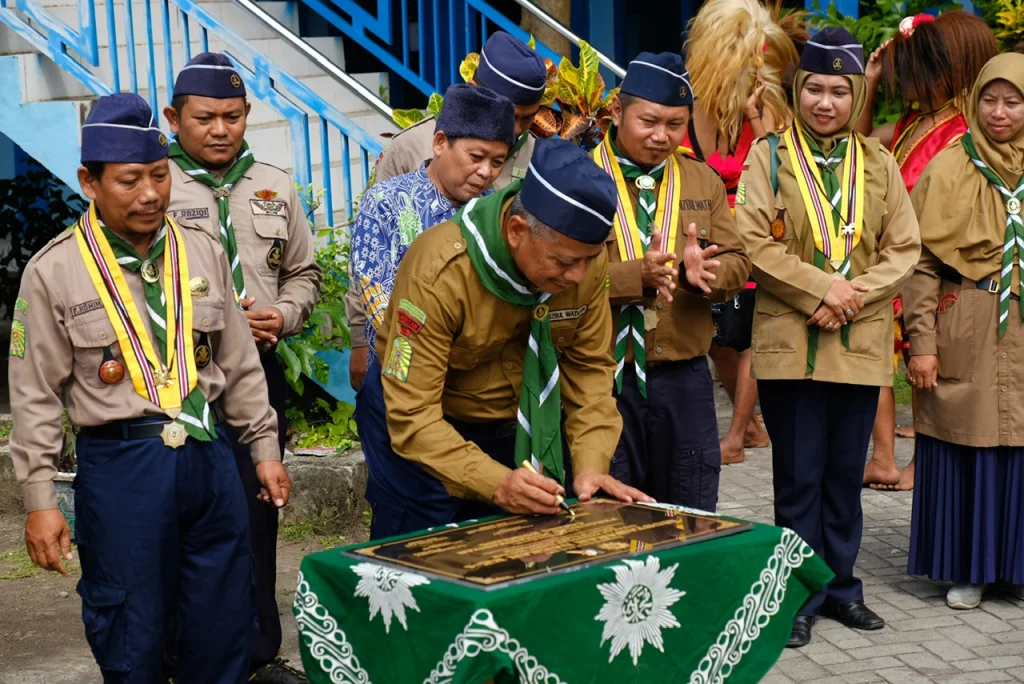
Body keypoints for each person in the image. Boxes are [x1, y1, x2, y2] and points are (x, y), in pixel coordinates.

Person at [10, 92, 292, 683]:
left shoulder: (201, 249)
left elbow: (238, 364)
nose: (150, 195)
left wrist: (263, 450)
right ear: (90, 182)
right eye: (131, 180)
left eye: (160, 177)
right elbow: (35, 393)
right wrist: (38, 499)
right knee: (130, 627)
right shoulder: (54, 270)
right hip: (122, 466)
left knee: (220, 622)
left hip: (209, 456)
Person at [359, 139, 654, 540]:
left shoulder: (582, 255)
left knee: (513, 554)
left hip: (512, 425)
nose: (579, 277)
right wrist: (497, 483)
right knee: (422, 558)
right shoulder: (438, 273)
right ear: (517, 230)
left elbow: (590, 371)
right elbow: (413, 417)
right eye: (565, 263)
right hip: (421, 427)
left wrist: (589, 467)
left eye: (591, 259)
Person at [735, 28, 921, 648]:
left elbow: (905, 248)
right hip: (792, 345)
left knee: (844, 477)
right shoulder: (768, 157)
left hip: (858, 344)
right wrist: (821, 289)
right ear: (797, 90)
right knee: (797, 479)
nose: (826, 102)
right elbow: (754, 244)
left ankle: (842, 590)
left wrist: (851, 296)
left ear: (855, 93)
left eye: (840, 91)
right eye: (814, 88)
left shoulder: (879, 163)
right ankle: (794, 596)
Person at [163, 52, 322, 683]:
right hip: (178, 382)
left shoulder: (275, 185)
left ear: (248, 115)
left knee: (258, 512)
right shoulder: (153, 185)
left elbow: (304, 273)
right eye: (205, 118)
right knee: (180, 515)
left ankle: (257, 650)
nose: (220, 129)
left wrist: (284, 315)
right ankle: (178, 654)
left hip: (257, 376)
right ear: (175, 118)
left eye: (233, 116)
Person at [348, 31, 550, 391]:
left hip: (482, 367)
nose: (514, 129)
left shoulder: (539, 157)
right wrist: (359, 341)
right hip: (403, 357)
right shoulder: (410, 147)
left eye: (526, 118)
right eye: (509, 113)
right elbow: (370, 259)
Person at [595, 52, 750, 511]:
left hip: (683, 378)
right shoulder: (580, 177)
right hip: (602, 376)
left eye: (676, 124)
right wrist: (632, 277)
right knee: (612, 511)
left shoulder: (702, 181)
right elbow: (554, 276)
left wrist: (699, 275)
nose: (662, 136)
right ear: (618, 112)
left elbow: (741, 262)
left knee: (692, 507)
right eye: (649, 121)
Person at [856, 11, 997, 491]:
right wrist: (870, 83)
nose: (907, 81)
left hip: (934, 266)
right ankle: (882, 458)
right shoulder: (915, 121)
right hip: (891, 260)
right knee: (877, 362)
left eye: (913, 70)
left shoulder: (965, 128)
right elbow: (857, 145)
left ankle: (920, 461)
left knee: (925, 368)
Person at [904, 53, 1024, 611]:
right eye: (989, 100)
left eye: (1014, 101)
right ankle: (967, 568)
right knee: (968, 443)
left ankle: (1015, 569)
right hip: (968, 321)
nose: (999, 113)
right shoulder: (950, 167)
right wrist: (922, 344)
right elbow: (922, 264)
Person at [682, 0, 805, 464]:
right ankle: (751, 425)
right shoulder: (691, 112)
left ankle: (735, 437)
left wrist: (758, 120)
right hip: (703, 234)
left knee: (751, 332)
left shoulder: (766, 107)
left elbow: (780, 174)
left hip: (756, 233)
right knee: (715, 335)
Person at [349, 83, 515, 357]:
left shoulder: (494, 208)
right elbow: (376, 298)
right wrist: (439, 348)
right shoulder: (386, 202)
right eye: (476, 157)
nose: (486, 172)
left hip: (476, 376)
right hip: (399, 370)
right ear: (440, 143)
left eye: (497, 162)